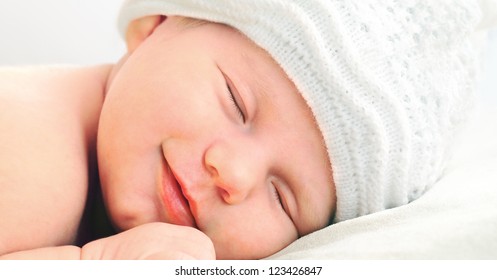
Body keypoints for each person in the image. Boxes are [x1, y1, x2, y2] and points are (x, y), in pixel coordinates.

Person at [0, 0, 481, 259]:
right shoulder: (35, 154)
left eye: (283, 198)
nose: (234, 173)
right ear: (154, 24)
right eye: (235, 101)